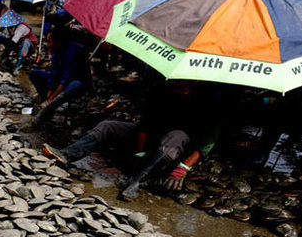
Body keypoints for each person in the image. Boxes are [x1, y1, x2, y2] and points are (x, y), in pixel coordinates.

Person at [42, 81, 222, 201]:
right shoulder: (164, 90)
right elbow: (145, 124)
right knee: (108, 126)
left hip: (175, 150)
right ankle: (68, 154)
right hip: (152, 138)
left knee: (177, 136)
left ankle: (136, 182)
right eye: (178, 83)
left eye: (184, 85)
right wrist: (139, 151)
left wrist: (184, 167)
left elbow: (207, 142)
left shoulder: (208, 101)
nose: (180, 86)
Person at [28, 24, 90, 125]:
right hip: (61, 79)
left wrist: (52, 98)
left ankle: (47, 109)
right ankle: (49, 105)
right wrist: (49, 90)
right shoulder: (56, 50)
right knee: (34, 73)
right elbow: (54, 72)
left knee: (74, 84)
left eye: (49, 41)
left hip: (76, 82)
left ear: (59, 42)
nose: (47, 44)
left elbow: (67, 78)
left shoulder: (76, 50)